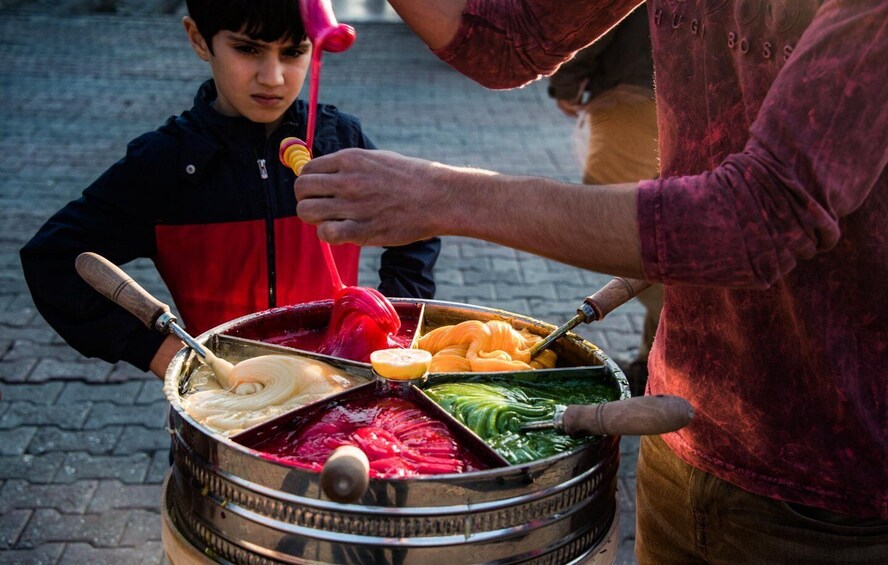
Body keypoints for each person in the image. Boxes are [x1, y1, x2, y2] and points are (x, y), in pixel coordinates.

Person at [292, 0, 888, 562]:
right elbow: (506, 38)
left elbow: (758, 219)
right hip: (678, 428)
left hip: (836, 493)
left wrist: (447, 194)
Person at [19, 0, 440, 379]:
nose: (272, 77)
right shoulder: (165, 163)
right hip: (220, 402)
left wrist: (390, 321)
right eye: (248, 49)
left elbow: (418, 225)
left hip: (337, 387)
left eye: (293, 52)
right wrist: (159, 352)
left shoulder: (340, 141)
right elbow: (52, 258)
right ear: (199, 39)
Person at [547, 8, 661, 397]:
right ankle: (652, 362)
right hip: (687, 105)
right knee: (664, 225)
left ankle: (680, 358)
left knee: (639, 238)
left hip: (636, 97)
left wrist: (567, 81)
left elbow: (589, 19)